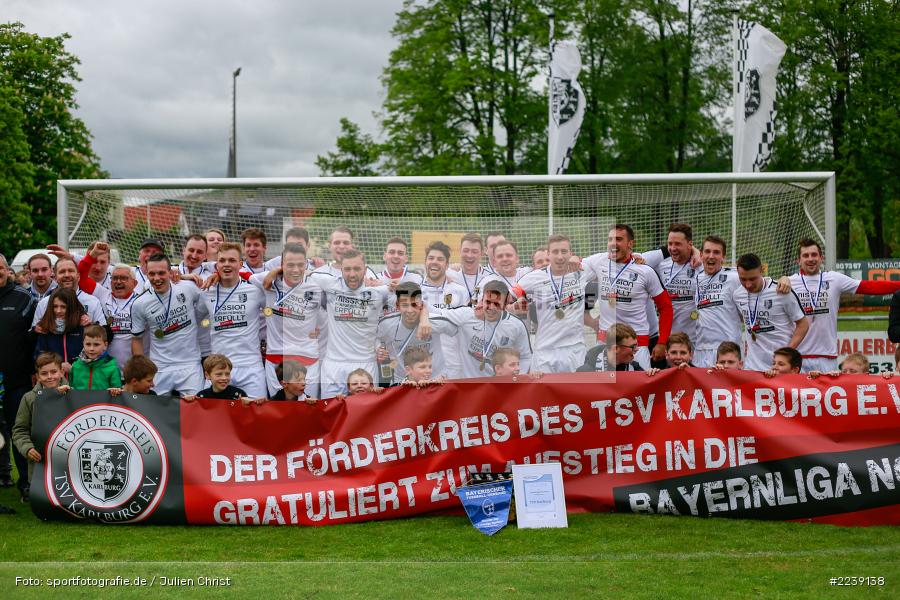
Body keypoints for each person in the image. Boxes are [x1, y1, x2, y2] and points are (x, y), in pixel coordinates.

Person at [311, 250, 429, 397]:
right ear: (340, 269)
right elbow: (298, 274)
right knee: (331, 415)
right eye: (347, 269)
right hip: (334, 365)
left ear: (365, 270)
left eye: (357, 269)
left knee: (364, 417)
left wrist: (424, 318)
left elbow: (414, 303)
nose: (352, 274)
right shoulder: (328, 284)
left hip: (365, 364)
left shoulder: (379, 292)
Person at [782, 238, 900, 373]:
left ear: (821, 258)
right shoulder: (788, 283)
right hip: (798, 356)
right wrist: (782, 278)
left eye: (814, 255)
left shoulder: (834, 278)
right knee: (798, 395)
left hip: (827, 357)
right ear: (798, 260)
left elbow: (869, 287)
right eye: (805, 255)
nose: (810, 259)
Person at [581, 224, 674, 369]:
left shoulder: (645, 270)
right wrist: (573, 258)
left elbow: (666, 307)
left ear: (630, 243)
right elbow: (572, 267)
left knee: (638, 391)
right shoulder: (598, 261)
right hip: (606, 345)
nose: (613, 243)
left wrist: (662, 342)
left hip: (636, 347)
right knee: (605, 391)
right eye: (610, 239)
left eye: (618, 239)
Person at [512, 234, 594, 373]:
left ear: (571, 253)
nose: (560, 257)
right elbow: (509, 296)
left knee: (575, 394)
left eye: (564, 251)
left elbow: (608, 260)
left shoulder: (582, 271)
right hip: (545, 353)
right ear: (548, 254)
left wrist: (636, 257)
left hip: (575, 350)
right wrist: (515, 305)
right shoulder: (534, 277)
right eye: (555, 252)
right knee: (542, 395)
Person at [253, 243, 326, 397]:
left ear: (306, 264)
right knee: (278, 411)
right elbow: (241, 275)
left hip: (308, 360)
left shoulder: (317, 287)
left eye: (300, 265)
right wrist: (275, 272)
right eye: (290, 265)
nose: (296, 270)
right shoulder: (268, 280)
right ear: (281, 265)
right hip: (276, 360)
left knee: (307, 411)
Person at [198, 242, 267, 398]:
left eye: (232, 260)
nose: (226, 264)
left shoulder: (255, 291)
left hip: (250, 368)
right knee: (213, 419)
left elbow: (274, 314)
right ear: (216, 265)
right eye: (222, 261)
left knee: (256, 417)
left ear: (241, 264)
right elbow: (194, 322)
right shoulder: (207, 292)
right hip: (218, 369)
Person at [130, 253, 204, 396]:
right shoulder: (139, 303)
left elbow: (210, 292)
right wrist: (142, 369)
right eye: (152, 274)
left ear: (170, 272)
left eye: (161, 273)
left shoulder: (188, 288)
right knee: (154, 414)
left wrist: (185, 277)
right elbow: (136, 339)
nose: (156, 278)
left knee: (195, 410)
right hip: (159, 367)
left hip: (190, 365)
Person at [435, 280, 532, 377]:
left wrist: (517, 379)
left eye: (497, 304)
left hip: (499, 386)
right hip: (469, 384)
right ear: (482, 300)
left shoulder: (516, 325)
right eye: (488, 302)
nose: (491, 307)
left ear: (505, 304)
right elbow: (436, 316)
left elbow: (525, 357)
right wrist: (423, 313)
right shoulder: (467, 316)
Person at [734, 253, 809, 372]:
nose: (748, 284)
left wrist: (787, 354)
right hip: (752, 367)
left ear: (762, 270)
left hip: (780, 368)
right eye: (743, 279)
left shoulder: (781, 291)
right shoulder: (737, 295)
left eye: (752, 279)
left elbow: (803, 324)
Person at [12, 352, 71, 502]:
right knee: (46, 504)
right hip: (40, 463)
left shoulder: (75, 395)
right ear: (37, 376)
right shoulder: (29, 398)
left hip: (68, 462)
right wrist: (27, 448)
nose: (50, 376)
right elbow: (19, 430)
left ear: (61, 372)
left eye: (53, 372)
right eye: (44, 374)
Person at [0, 253, 36, 492]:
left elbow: (34, 337)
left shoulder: (24, 298)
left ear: (6, 270)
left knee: (18, 430)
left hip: (17, 380)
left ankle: (25, 482)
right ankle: (3, 475)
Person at [376, 282, 457, 383]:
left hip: (434, 380)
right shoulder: (387, 324)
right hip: (403, 381)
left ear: (421, 305)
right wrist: (378, 349)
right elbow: (375, 338)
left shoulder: (436, 322)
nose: (410, 310)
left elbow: (457, 331)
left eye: (414, 304)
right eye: (405, 305)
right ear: (397, 306)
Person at [690, 236, 743, 368]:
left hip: (728, 353)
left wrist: (784, 279)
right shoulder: (696, 278)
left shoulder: (735, 277)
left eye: (716, 252)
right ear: (701, 255)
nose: (711, 256)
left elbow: (759, 281)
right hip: (701, 350)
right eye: (707, 252)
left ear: (723, 257)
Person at [79, 260, 139, 373]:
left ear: (134, 283)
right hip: (106, 371)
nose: (118, 281)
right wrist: (90, 256)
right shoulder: (103, 294)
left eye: (123, 278)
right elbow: (81, 277)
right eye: (115, 278)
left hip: (134, 371)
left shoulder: (142, 301)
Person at [419, 241, 468, 378]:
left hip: (453, 365)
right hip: (421, 365)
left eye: (440, 259)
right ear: (425, 262)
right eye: (431, 258)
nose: (434, 262)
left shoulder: (460, 291)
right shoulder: (414, 291)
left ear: (447, 265)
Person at [31, 257, 105, 326]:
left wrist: (90, 325)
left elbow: (102, 332)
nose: (66, 275)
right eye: (62, 272)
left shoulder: (93, 302)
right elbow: (35, 334)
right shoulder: (44, 303)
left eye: (71, 271)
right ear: (55, 278)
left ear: (78, 276)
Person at [33, 288, 85, 375]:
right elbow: (39, 357)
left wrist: (74, 368)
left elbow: (91, 356)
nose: (58, 311)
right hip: (54, 381)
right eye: (55, 306)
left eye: (63, 307)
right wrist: (58, 366)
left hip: (79, 381)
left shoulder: (82, 327)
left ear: (71, 308)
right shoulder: (45, 328)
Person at [577, 323, 659, 375]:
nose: (637, 349)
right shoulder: (585, 373)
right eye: (632, 346)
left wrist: (652, 375)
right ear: (616, 348)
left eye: (637, 345)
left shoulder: (634, 367)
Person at [187, 355, 259, 404]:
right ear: (207, 375)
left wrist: (250, 404)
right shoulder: (202, 396)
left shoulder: (239, 394)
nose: (224, 378)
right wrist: (187, 401)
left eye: (227, 374)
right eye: (219, 374)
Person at [69, 325, 121, 391]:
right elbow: (72, 391)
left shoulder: (112, 369)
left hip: (102, 401)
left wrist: (115, 391)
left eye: (96, 344)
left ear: (105, 345)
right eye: (88, 344)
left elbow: (118, 394)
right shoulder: (76, 366)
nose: (91, 349)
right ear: (83, 344)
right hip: (80, 401)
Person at [447, 233, 491, 305]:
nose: (469, 255)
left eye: (474, 251)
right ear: (460, 250)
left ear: (482, 253)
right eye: (466, 250)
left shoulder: (489, 277)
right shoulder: (449, 274)